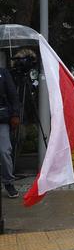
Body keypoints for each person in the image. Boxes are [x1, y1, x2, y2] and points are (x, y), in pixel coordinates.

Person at [0, 66, 20, 198]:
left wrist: (15, 114)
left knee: (4, 151)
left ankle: (8, 182)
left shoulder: (3, 72)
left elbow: (13, 94)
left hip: (2, 117)